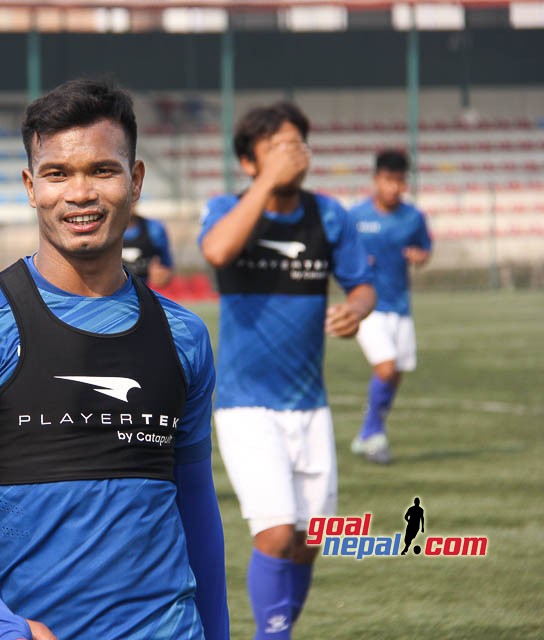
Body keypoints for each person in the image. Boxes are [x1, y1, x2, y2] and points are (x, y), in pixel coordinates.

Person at [0, 79, 228, 640]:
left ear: (136, 180)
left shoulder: (185, 336)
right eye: (58, 174)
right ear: (31, 187)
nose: (80, 193)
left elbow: (195, 501)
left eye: (103, 170)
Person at [199, 102, 375, 639]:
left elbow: (364, 285)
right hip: (246, 405)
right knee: (276, 535)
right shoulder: (226, 209)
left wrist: (357, 312)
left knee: (310, 540)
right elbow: (217, 249)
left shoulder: (329, 214)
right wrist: (266, 186)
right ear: (249, 162)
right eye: (276, 146)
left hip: (310, 406)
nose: (293, 153)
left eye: (298, 142)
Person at [349, 150, 432, 464]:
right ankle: (372, 435)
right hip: (367, 306)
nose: (394, 187)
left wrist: (420, 257)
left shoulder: (414, 217)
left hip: (400, 306)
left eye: (399, 181)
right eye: (388, 180)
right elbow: (340, 254)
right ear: (376, 180)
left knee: (394, 374)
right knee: (385, 367)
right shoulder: (356, 216)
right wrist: (357, 263)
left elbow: (425, 250)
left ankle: (369, 432)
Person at [122, 206, 174, 287]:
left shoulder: (154, 229)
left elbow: (167, 268)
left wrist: (161, 276)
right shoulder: (105, 230)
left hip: (144, 293)